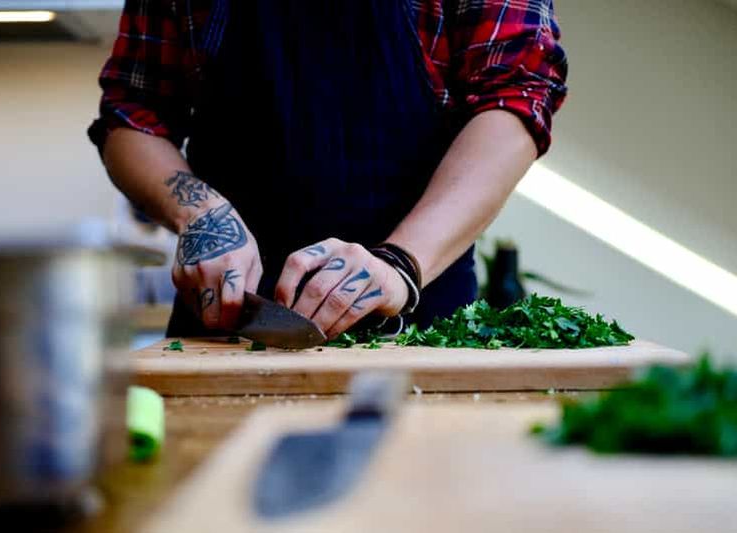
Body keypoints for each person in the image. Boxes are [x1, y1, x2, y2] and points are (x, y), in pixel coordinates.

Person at [89, 0, 568, 339]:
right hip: (226, 329)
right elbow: (132, 115)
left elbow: (516, 97)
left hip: (422, 328)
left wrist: (400, 263)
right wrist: (202, 216)